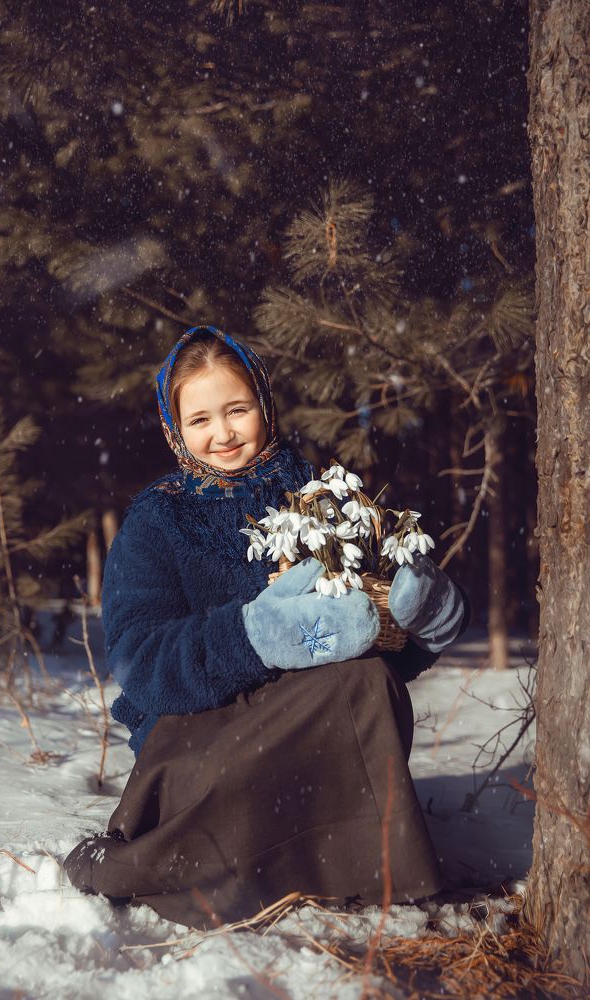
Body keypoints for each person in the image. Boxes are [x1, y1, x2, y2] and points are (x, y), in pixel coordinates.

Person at [64, 324, 470, 929]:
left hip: (307, 714)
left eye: (237, 410)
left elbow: (361, 638)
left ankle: (365, 870)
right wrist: (251, 635)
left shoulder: (316, 494)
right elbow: (139, 662)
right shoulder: (158, 521)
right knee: (333, 700)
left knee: (366, 684)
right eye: (199, 420)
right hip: (197, 730)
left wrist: (420, 621)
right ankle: (188, 862)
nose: (222, 434)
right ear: (174, 426)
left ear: (264, 405)